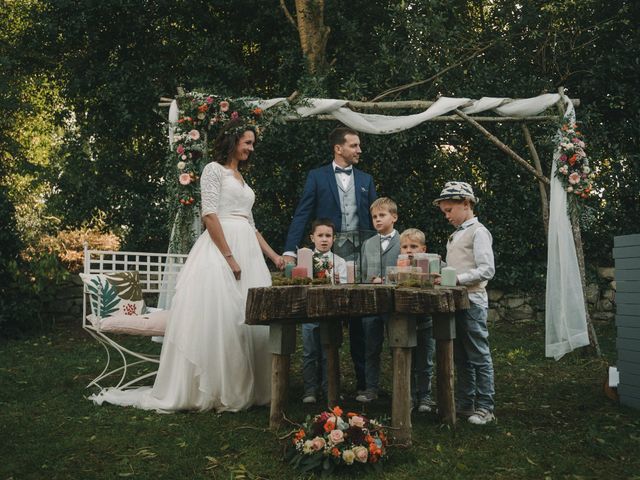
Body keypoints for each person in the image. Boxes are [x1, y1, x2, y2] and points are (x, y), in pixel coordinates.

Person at [89, 120, 285, 412]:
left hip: (248, 250)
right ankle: (215, 388)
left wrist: (274, 257)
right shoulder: (213, 170)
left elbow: (252, 226)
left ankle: (252, 387)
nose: (251, 148)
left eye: (252, 143)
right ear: (233, 141)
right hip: (221, 250)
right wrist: (230, 257)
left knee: (247, 317)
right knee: (222, 318)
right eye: (247, 142)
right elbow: (209, 215)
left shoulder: (241, 178)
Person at [283, 126, 377, 394]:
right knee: (321, 312)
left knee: (361, 316)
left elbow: (373, 220)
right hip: (325, 254)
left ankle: (363, 385)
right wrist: (290, 249)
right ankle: (320, 385)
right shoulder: (317, 177)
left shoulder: (365, 180)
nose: (359, 150)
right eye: (354, 145)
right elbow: (302, 213)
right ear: (339, 148)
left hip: (358, 255)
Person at [432, 181, 496, 425]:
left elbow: (486, 269)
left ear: (466, 204)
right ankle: (466, 403)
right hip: (457, 301)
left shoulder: (478, 231)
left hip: (473, 301)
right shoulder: (456, 234)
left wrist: (456, 277)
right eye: (444, 212)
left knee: (479, 354)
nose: (446, 216)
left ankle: (486, 407)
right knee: (461, 355)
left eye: (449, 210)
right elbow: (459, 266)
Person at [356, 197, 400, 403]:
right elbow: (363, 272)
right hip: (371, 304)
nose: (377, 220)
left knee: (398, 347)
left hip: (396, 305)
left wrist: (389, 278)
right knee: (371, 348)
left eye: (382, 215)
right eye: (374, 217)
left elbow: (410, 271)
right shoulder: (367, 244)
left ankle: (401, 388)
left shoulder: (404, 242)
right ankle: (371, 388)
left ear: (394, 217)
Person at [301, 218, 348, 404]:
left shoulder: (340, 262)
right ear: (312, 237)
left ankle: (330, 387)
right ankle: (309, 389)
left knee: (330, 352)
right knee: (309, 352)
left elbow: (344, 286)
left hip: (331, 314)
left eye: (328, 236)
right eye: (320, 235)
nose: (324, 239)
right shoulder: (305, 260)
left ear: (333, 239)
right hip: (310, 312)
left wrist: (337, 280)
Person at [399, 228, 436, 413]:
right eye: (405, 246)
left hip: (426, 322)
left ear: (423, 249)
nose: (409, 250)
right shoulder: (398, 268)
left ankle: (425, 397)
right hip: (405, 323)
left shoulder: (430, 265)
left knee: (425, 362)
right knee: (408, 362)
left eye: (413, 246)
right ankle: (410, 395)